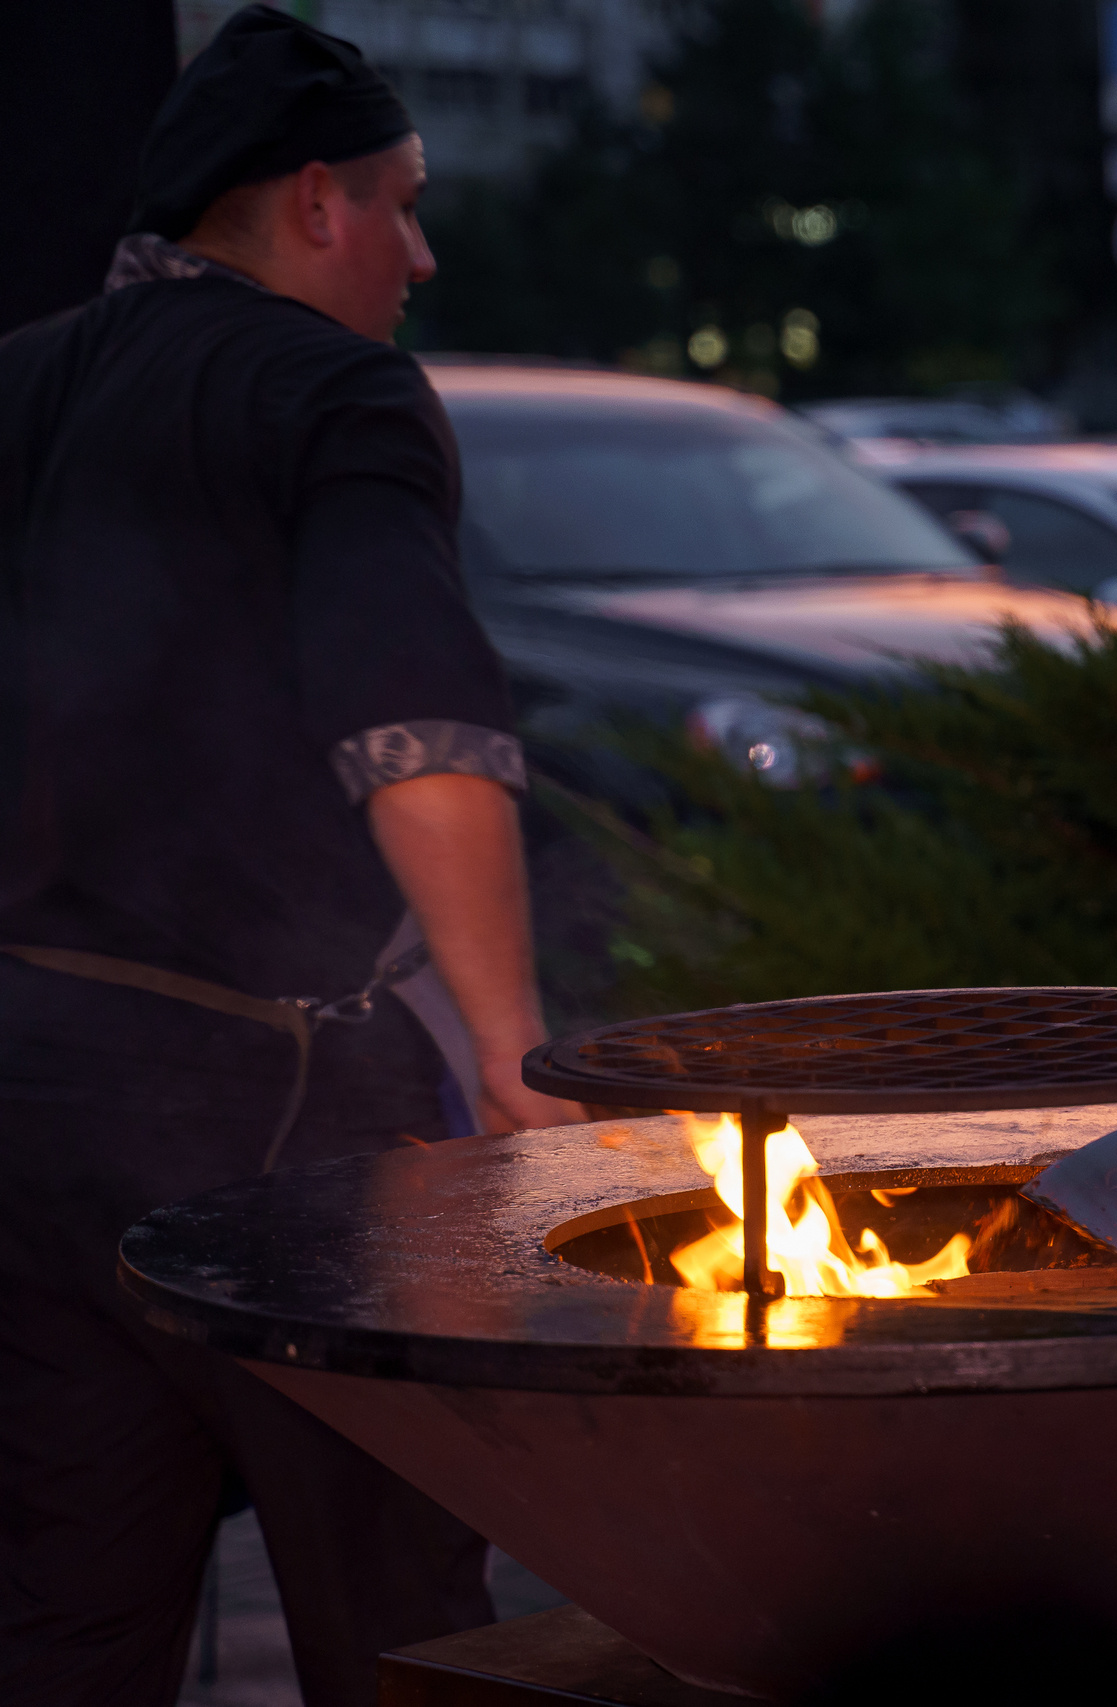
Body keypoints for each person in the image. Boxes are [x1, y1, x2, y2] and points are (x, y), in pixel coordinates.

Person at [0, 9, 582, 1704]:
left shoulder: (19, 382)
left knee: (66, 1610)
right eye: (401, 204)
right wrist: (502, 1044)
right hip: (260, 1124)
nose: (422, 249)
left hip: (20, 1100)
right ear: (312, 201)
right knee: (400, 1600)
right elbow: (418, 732)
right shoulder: (333, 387)